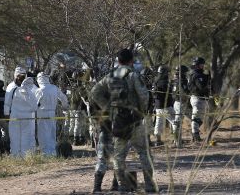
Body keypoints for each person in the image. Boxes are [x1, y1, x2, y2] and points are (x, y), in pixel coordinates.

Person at [91, 49, 158, 192]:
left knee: (118, 156)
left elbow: (94, 92)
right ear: (131, 60)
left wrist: (107, 108)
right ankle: (150, 187)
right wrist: (142, 111)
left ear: (118, 60)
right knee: (144, 153)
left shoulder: (110, 76)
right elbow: (144, 96)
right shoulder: (133, 75)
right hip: (135, 120)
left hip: (118, 121)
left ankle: (122, 186)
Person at [35, 72, 69, 156]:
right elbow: (64, 98)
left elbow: (34, 104)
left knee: (43, 134)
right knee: (51, 133)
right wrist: (65, 106)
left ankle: (45, 153)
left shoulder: (39, 90)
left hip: (42, 113)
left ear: (39, 79)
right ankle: (53, 152)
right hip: (52, 113)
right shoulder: (54, 88)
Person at [9, 77, 39, 157]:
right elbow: (35, 108)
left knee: (14, 137)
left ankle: (15, 156)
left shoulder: (14, 90)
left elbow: (8, 103)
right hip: (26, 118)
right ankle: (24, 156)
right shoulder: (31, 94)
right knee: (25, 137)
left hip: (14, 117)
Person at [187, 57, 210, 142]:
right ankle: (195, 136)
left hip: (199, 99)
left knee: (199, 118)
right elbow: (201, 87)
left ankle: (194, 133)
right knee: (196, 117)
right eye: (201, 64)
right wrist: (207, 81)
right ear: (197, 65)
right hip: (198, 98)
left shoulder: (196, 74)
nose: (203, 66)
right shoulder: (197, 75)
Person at [152, 65, 174, 146]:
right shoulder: (165, 82)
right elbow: (168, 93)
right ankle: (177, 140)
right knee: (175, 121)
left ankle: (158, 141)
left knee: (159, 122)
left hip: (158, 106)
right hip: (166, 106)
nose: (168, 74)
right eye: (167, 72)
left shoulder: (155, 81)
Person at [171, 65, 190, 146]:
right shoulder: (182, 81)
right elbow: (184, 92)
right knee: (178, 123)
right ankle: (177, 142)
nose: (186, 74)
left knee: (177, 122)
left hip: (177, 102)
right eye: (185, 72)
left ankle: (177, 141)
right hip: (181, 103)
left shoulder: (175, 80)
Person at [69, 70, 88, 146]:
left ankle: (79, 138)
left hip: (76, 108)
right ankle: (76, 140)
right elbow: (77, 99)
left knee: (78, 124)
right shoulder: (78, 88)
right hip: (78, 108)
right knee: (78, 124)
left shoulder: (74, 87)